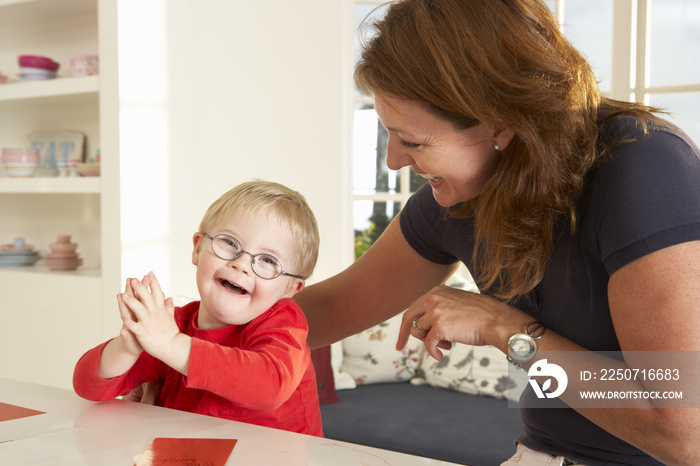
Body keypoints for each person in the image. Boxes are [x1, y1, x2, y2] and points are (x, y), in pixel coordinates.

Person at [293, 0, 700, 464]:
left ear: (501, 124)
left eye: (412, 141)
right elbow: (327, 310)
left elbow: (684, 432)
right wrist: (196, 331)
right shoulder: (463, 197)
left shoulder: (644, 169)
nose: (393, 162)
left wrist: (505, 327)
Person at [73, 180, 323, 437]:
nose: (242, 264)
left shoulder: (284, 323)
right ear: (197, 249)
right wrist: (127, 346)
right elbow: (87, 385)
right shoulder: (174, 325)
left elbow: (270, 386)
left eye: (268, 260)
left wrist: (170, 344)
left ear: (291, 288)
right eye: (230, 243)